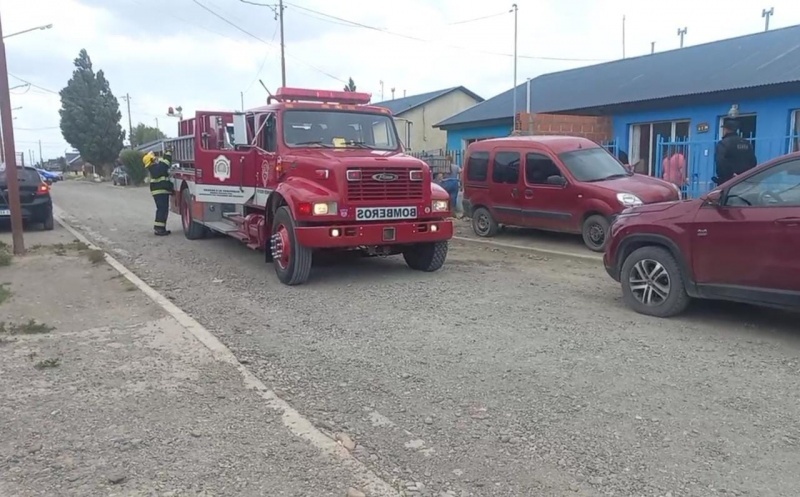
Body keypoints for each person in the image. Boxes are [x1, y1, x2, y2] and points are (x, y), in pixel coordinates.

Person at [713, 119, 757, 185]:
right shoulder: (746, 143)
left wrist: (727, 175)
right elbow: (753, 162)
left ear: (726, 129)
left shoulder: (723, 143)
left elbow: (720, 162)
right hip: (744, 180)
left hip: (728, 181)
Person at [143, 151, 174, 236]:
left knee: (162, 209)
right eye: (154, 158)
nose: (156, 159)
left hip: (159, 191)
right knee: (162, 209)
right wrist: (168, 153)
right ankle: (159, 229)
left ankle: (160, 228)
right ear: (152, 160)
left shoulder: (154, 168)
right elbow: (165, 165)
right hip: (160, 192)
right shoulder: (156, 168)